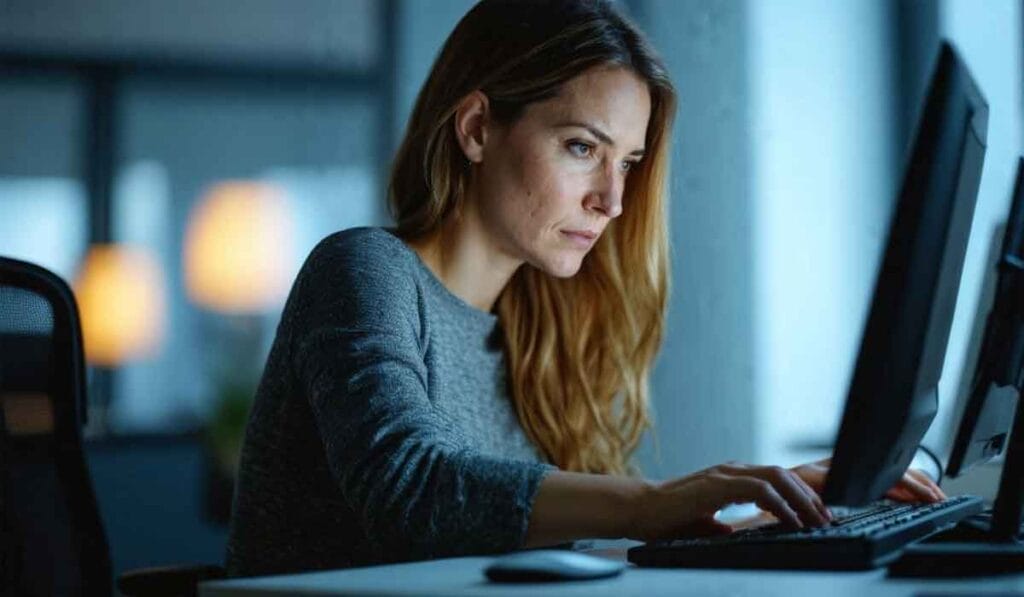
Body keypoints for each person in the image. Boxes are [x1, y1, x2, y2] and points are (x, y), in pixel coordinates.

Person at [225, 0, 945, 577]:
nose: (613, 200)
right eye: (582, 148)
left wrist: (781, 509)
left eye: (627, 162)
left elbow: (586, 539)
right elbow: (409, 489)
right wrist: (653, 503)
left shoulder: (537, 323)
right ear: (477, 129)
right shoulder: (361, 270)